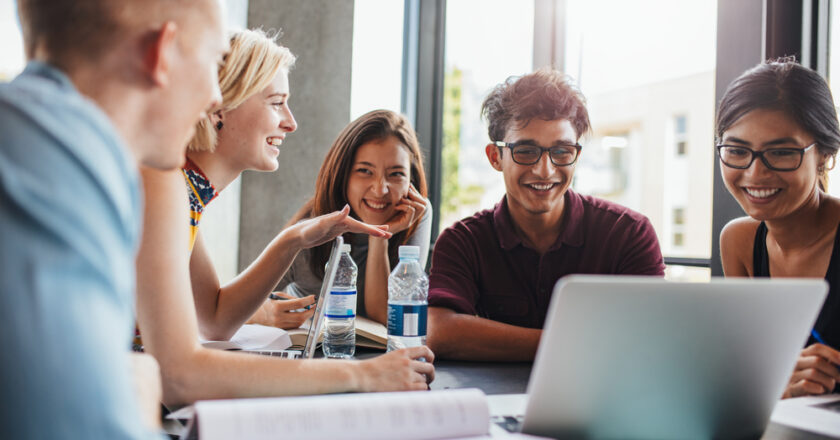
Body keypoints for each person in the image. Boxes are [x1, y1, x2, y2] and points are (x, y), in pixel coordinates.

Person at [136, 29, 434, 407]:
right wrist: (363, 374)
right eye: (277, 102)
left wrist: (293, 239)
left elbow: (214, 319)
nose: (291, 123)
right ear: (219, 106)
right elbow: (180, 375)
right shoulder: (166, 189)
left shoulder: (187, 196)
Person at [1, 0, 228, 438]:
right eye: (215, 60)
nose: (216, 95)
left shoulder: (39, 136)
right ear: (162, 51)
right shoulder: (62, 161)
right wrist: (139, 393)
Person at [426, 68, 665, 362]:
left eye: (562, 151)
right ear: (494, 157)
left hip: (596, 404)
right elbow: (440, 331)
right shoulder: (463, 241)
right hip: (491, 402)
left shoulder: (629, 233)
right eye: (526, 151)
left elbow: (647, 339)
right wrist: (581, 344)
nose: (545, 170)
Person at [717, 59, 840, 398]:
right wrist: (776, 384)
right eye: (737, 151)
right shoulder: (738, 241)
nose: (755, 174)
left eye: (782, 152)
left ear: (825, 155)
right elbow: (751, 368)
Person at [250, 109, 431, 326]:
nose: (380, 189)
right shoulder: (309, 231)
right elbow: (231, 308)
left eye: (396, 174)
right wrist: (265, 314)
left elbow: (385, 317)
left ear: (412, 179)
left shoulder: (416, 213)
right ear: (343, 175)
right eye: (365, 171)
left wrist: (379, 237)